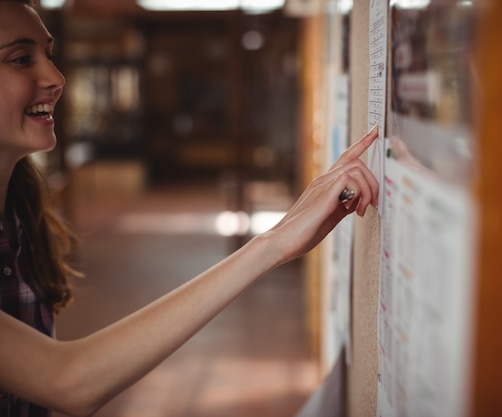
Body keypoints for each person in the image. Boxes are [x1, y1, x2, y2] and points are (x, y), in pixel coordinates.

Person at [0, 1, 379, 416]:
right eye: (20, 59)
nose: (56, 78)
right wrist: (273, 243)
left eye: (49, 55)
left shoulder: (19, 215)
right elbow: (67, 381)